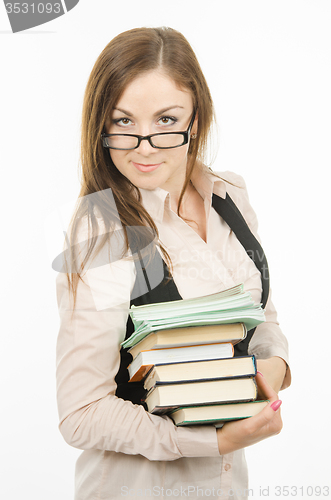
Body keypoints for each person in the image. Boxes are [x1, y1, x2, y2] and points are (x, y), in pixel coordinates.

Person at [55, 26, 291, 500]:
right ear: (101, 125)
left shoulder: (230, 196)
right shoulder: (105, 232)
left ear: (196, 118)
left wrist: (274, 366)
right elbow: (81, 413)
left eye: (166, 120)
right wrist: (211, 440)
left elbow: (262, 317)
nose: (144, 145)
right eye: (123, 122)